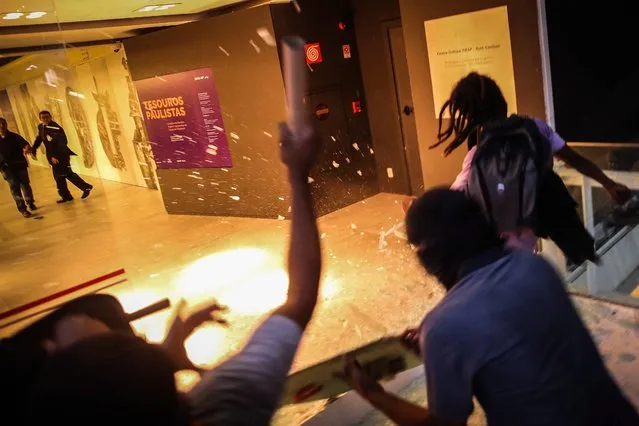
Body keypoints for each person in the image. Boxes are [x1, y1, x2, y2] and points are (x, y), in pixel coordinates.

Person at [26, 122, 322, 426]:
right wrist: (297, 177)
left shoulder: (139, 406)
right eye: (133, 340)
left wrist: (160, 359)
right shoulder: (223, 402)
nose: (49, 347)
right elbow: (300, 298)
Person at [343, 188, 639, 426]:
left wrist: (373, 394)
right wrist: (443, 350)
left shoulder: (444, 326)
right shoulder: (534, 266)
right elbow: (512, 339)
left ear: (430, 260)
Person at [432, 72, 632, 251]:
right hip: (526, 242)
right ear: (502, 102)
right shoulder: (535, 129)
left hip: (490, 251)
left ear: (470, 116)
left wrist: (426, 213)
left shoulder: (478, 154)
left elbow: (456, 195)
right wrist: (609, 184)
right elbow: (575, 159)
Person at [32, 110, 93, 203]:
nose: (45, 119)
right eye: (43, 117)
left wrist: (55, 156)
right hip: (52, 156)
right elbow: (39, 138)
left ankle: (85, 187)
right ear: (40, 118)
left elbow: (62, 142)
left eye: (47, 117)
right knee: (59, 176)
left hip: (61, 155)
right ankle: (67, 196)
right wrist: (34, 148)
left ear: (50, 117)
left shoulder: (56, 128)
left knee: (66, 174)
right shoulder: (41, 127)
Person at [0, 117, 36, 218]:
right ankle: (22, 209)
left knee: (25, 185)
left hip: (20, 165)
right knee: (14, 187)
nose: (2, 126)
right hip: (6, 168)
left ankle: (30, 202)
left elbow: (25, 144)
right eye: (0, 124)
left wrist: (27, 148)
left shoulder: (14, 136)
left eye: (3, 123)